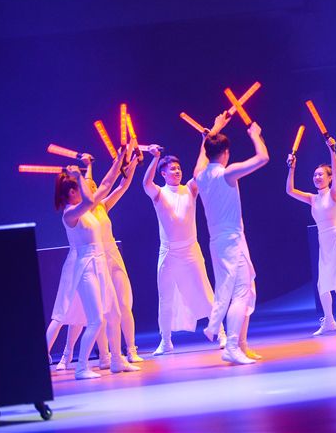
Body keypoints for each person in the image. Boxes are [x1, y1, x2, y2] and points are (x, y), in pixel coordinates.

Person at [49, 153, 140, 379]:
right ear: (72, 192)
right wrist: (79, 175)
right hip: (86, 267)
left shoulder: (87, 208)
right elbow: (90, 199)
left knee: (114, 313)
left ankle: (117, 360)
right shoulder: (71, 213)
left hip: (100, 262)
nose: (86, 190)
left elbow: (107, 184)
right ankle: (81, 367)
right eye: (79, 187)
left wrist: (119, 160)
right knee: (96, 319)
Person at [196, 113, 268, 365]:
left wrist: (214, 129)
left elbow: (203, 155)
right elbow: (263, 158)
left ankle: (241, 344)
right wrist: (255, 135)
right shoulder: (227, 173)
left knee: (246, 290)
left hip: (218, 242)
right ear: (225, 152)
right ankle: (232, 346)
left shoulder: (200, 175)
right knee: (241, 293)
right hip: (231, 241)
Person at [142, 144, 220, 355]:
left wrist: (204, 144)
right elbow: (145, 182)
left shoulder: (190, 189)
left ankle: (220, 331)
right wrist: (155, 158)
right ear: (163, 173)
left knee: (205, 291)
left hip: (190, 251)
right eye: (172, 169)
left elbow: (200, 172)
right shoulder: (159, 193)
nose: (177, 171)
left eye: (178, 168)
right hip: (168, 253)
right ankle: (165, 341)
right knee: (165, 298)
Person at [286, 136, 336, 336]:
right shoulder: (312, 198)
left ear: (329, 178)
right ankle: (329, 321)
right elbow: (289, 190)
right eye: (315, 175)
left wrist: (332, 150)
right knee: (322, 284)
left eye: (321, 174)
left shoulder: (334, 194)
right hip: (323, 241)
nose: (317, 177)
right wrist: (291, 168)